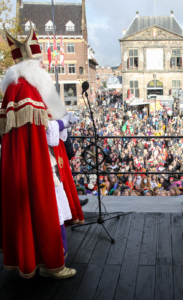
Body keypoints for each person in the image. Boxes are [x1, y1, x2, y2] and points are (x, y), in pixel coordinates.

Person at [0, 22, 84, 279]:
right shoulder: (28, 89)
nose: (46, 67)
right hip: (38, 164)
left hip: (21, 164)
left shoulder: (15, 88)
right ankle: (52, 263)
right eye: (41, 63)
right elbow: (43, 131)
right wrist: (64, 122)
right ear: (32, 66)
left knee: (31, 214)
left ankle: (35, 260)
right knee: (48, 208)